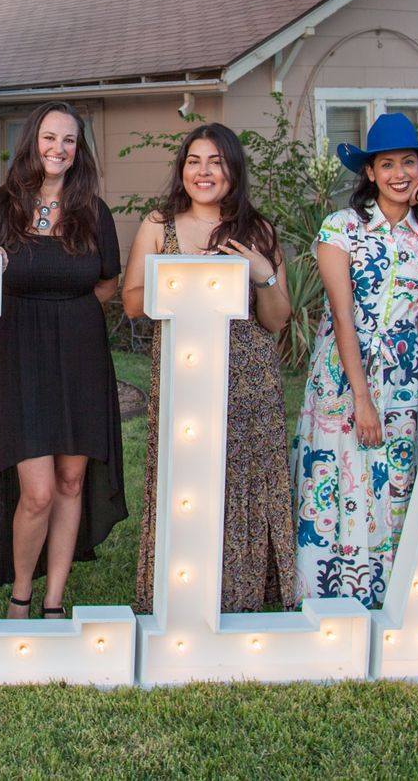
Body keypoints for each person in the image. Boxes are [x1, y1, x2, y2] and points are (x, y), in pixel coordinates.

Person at [294, 112, 418, 608]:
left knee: (396, 476)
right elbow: (342, 315)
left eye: (409, 163)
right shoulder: (342, 228)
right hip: (345, 370)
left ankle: (393, 591)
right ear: (370, 172)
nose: (400, 173)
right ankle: (334, 591)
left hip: (403, 374)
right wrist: (361, 397)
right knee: (342, 473)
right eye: (387, 164)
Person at [123, 123, 298, 614]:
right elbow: (132, 303)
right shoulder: (160, 225)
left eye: (216, 162)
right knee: (186, 480)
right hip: (185, 374)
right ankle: (179, 592)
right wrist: (188, 277)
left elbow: (276, 319)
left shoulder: (258, 230)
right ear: (182, 170)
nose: (204, 172)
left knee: (242, 480)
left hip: (248, 376)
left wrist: (263, 275)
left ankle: (241, 597)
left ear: (233, 170)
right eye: (194, 161)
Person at [0, 101, 127, 619]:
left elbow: (107, 283)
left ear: (78, 150)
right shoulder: (0, 209)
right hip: (22, 355)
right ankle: (20, 596)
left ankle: (54, 602)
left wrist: (68, 311)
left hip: (81, 355)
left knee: (70, 482)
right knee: (36, 492)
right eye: (49, 137)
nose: (58, 148)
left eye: (69, 140)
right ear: (32, 142)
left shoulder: (94, 212)